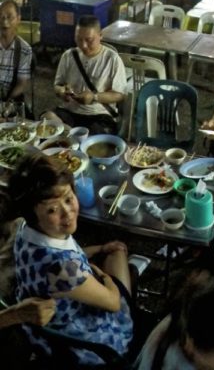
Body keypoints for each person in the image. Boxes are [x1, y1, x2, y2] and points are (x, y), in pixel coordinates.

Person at [4, 153, 133, 364]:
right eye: (52, 209)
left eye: (68, 198)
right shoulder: (63, 269)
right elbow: (112, 304)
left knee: (108, 250)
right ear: (33, 214)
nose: (67, 213)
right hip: (82, 341)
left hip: (48, 323)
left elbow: (68, 255)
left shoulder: (25, 229)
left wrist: (99, 248)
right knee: (118, 252)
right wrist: (107, 280)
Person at [45, 16, 126, 135]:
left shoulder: (112, 59)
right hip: (69, 111)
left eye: (89, 40)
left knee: (94, 135)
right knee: (46, 118)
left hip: (98, 115)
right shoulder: (68, 56)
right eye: (78, 39)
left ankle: (69, 134)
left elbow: (120, 95)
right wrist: (61, 92)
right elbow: (57, 85)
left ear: (100, 35)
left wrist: (94, 97)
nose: (83, 45)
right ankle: (69, 134)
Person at [0, 0, 32, 106]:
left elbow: (21, 84)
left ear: (18, 19)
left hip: (9, 100)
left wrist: (7, 103)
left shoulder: (24, 50)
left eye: (9, 17)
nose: (5, 22)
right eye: (1, 17)